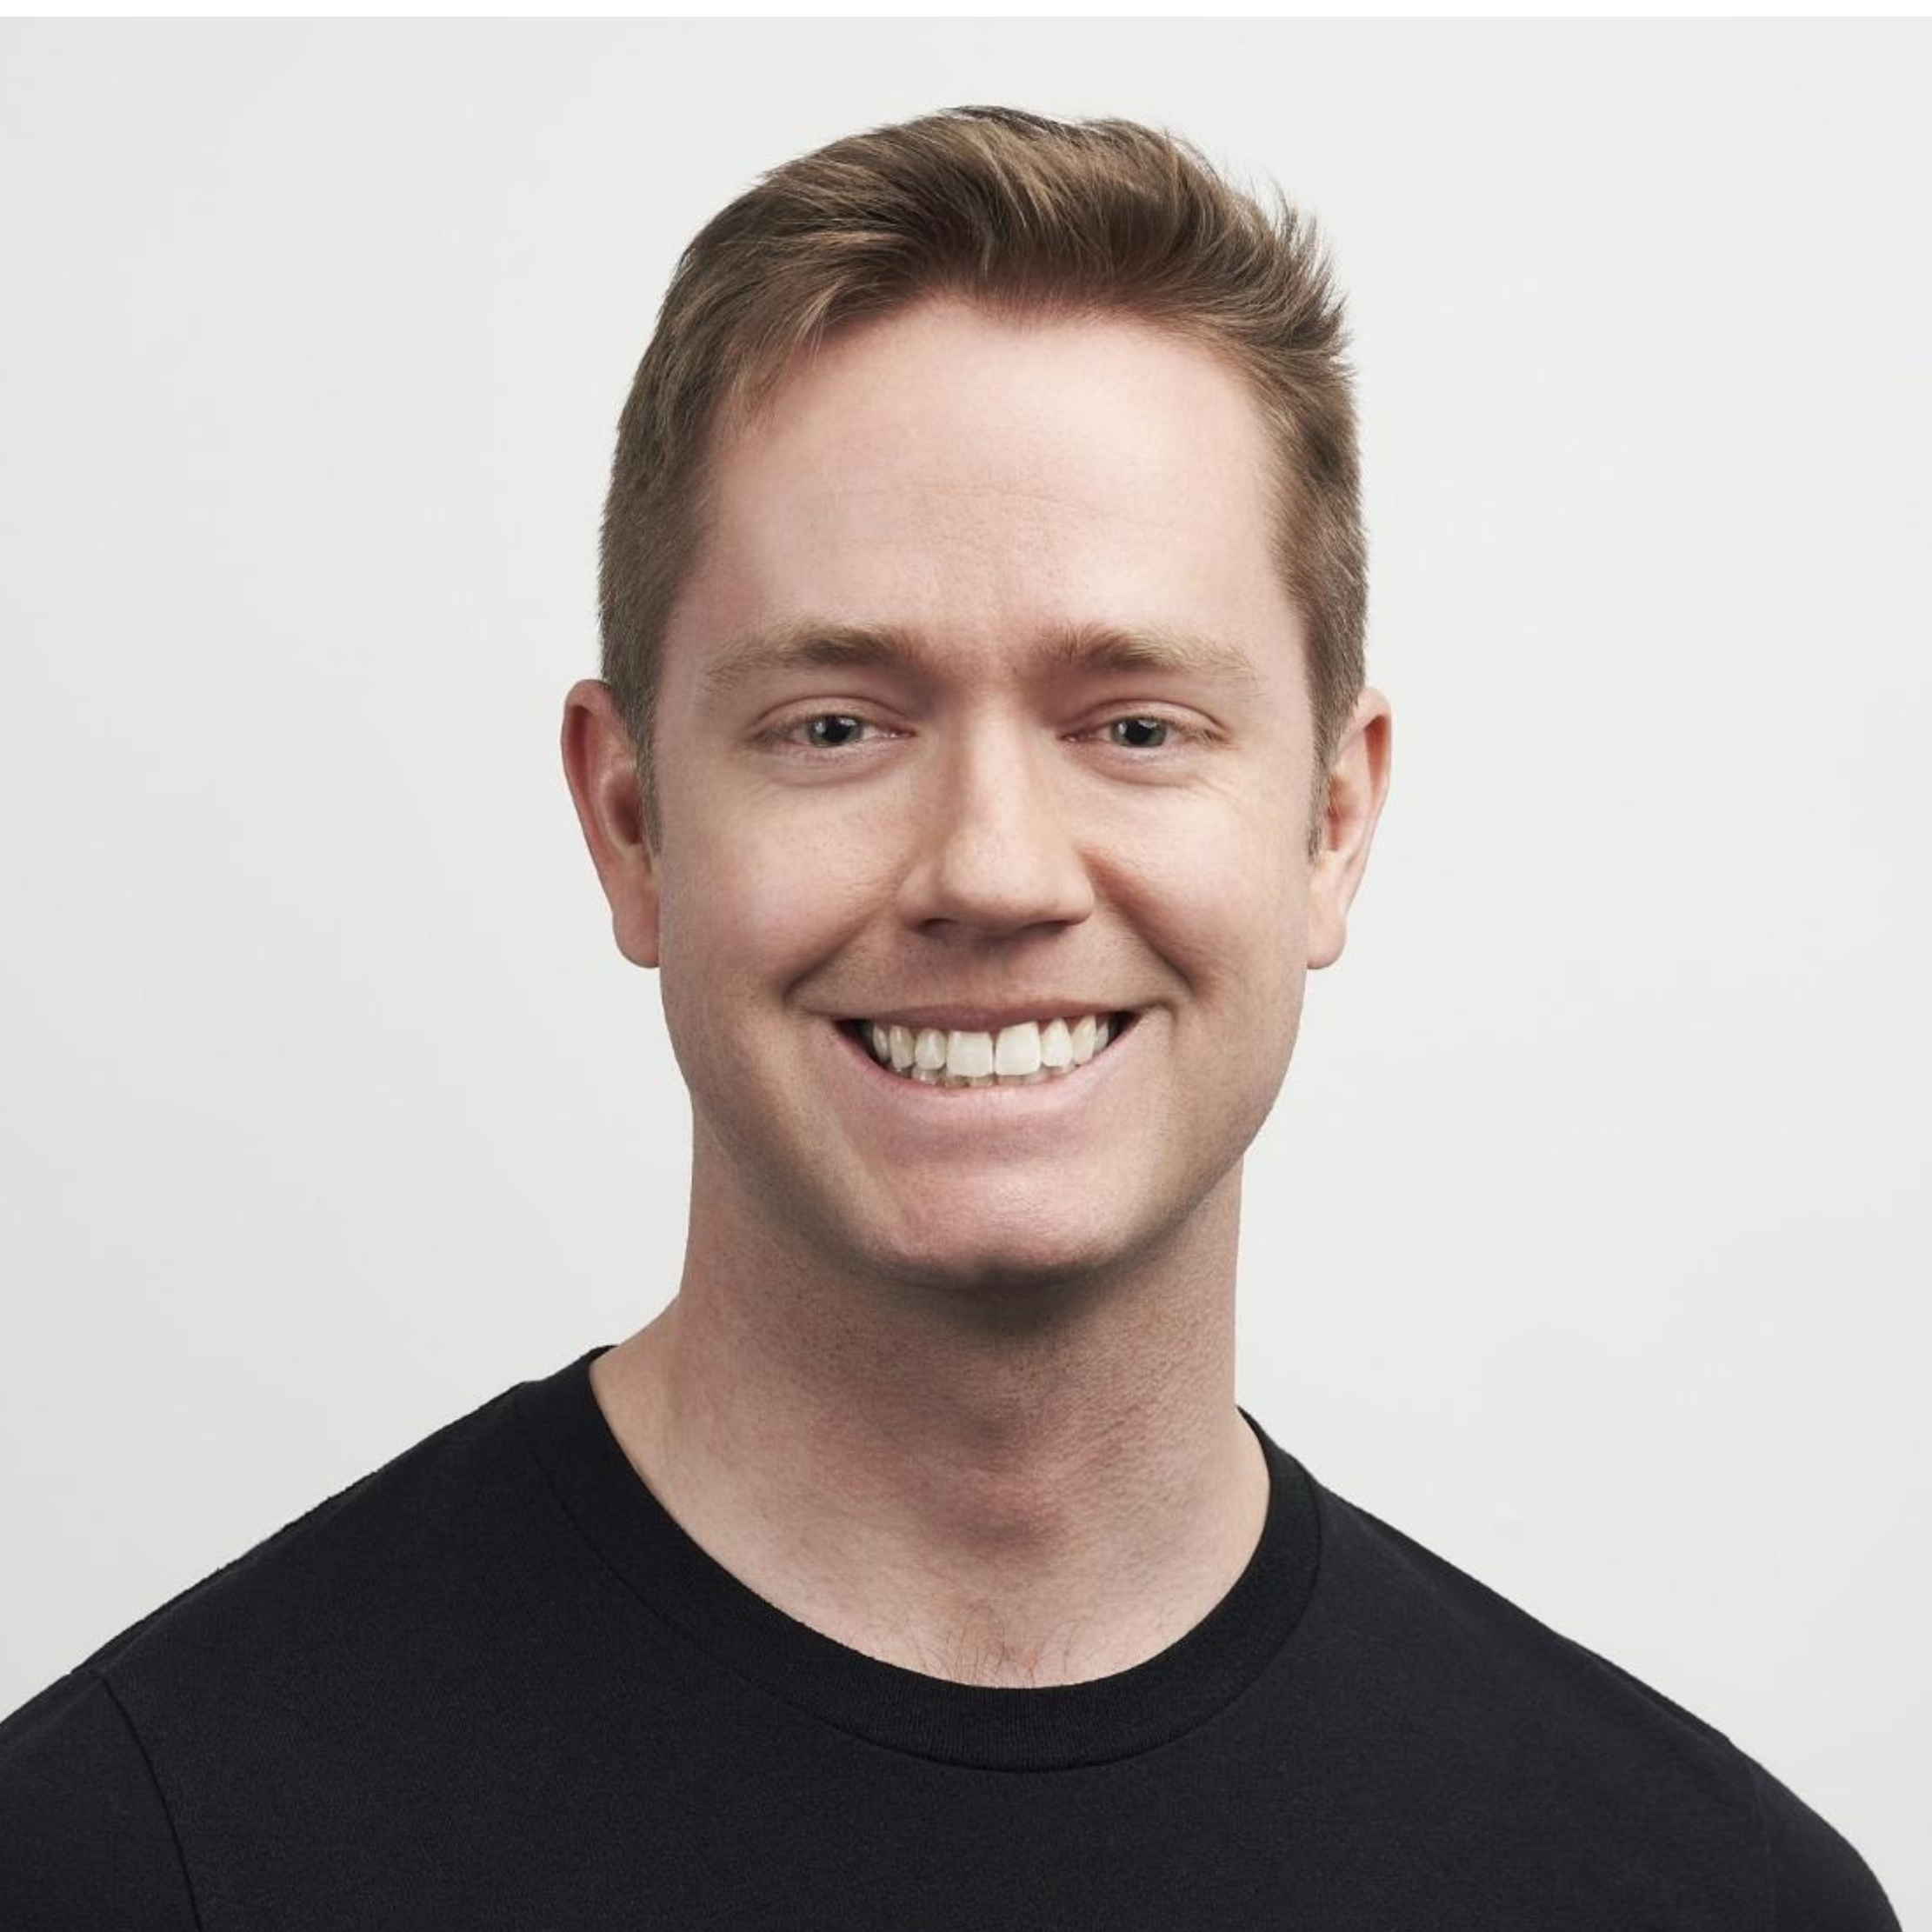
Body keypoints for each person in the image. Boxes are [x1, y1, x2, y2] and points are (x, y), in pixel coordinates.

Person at [0, 103, 1899, 1929]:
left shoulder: (1706, 1895)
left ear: (1331, 823)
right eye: (836, 725)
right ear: (631, 822)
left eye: (1133, 724)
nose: (991, 868)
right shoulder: (127, 1860)